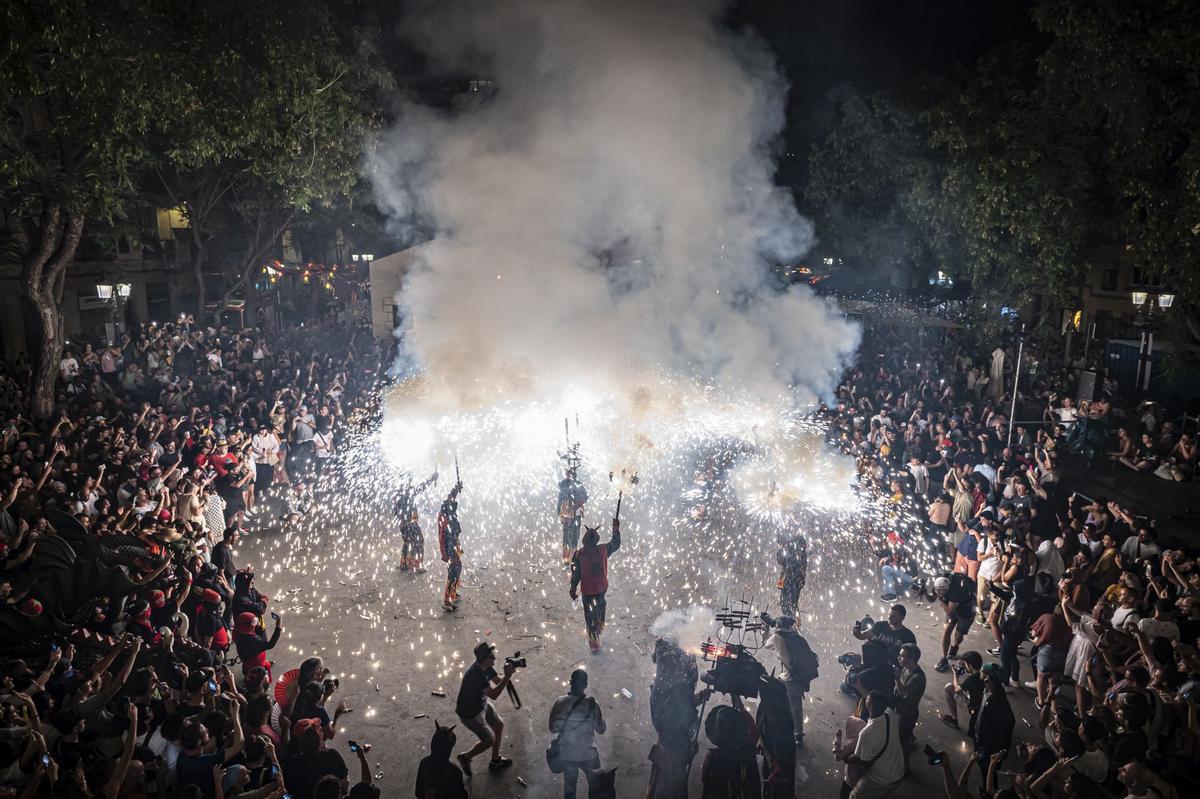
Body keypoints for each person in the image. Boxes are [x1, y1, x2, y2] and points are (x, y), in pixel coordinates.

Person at [453, 641, 515, 775]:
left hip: (480, 703)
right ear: (484, 660)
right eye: (491, 657)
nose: (494, 658)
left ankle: (495, 761)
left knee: (498, 725)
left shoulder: (486, 667)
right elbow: (494, 694)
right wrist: (507, 676)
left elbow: (498, 681)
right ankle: (466, 757)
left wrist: (508, 672)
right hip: (470, 713)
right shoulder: (476, 674)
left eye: (493, 655)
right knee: (489, 740)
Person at [548, 668, 606, 799]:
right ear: (586, 685)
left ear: (570, 683)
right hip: (588, 753)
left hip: (568, 754)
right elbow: (601, 730)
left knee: (570, 789)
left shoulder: (559, 703)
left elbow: (553, 728)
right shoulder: (592, 704)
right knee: (597, 786)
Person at [835, 691, 904, 799]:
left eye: (867, 699)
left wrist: (846, 758)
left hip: (883, 779)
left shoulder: (867, 733)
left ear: (870, 706)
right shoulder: (889, 713)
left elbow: (862, 760)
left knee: (855, 796)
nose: (865, 698)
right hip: (899, 770)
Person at [569, 516, 622, 653]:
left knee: (589, 614)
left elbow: (576, 575)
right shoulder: (603, 550)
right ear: (597, 540)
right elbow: (615, 543)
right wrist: (616, 528)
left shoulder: (579, 554)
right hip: (600, 589)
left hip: (587, 591)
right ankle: (597, 630)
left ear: (584, 541)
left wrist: (573, 588)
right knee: (599, 608)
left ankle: (594, 640)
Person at [765, 615, 818, 747]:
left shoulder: (777, 638)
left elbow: (767, 644)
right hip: (801, 677)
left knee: (777, 697)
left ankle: (785, 729)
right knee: (796, 707)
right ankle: (798, 734)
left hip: (789, 678)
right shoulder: (797, 637)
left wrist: (765, 629)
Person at [932, 574, 976, 673]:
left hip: (966, 609)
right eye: (937, 590)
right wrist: (925, 592)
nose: (938, 592)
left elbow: (949, 612)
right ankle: (944, 658)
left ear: (947, 589)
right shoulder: (940, 583)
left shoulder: (955, 592)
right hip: (952, 606)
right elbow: (932, 598)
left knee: (958, 635)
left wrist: (940, 600)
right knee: (947, 631)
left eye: (941, 591)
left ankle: (954, 646)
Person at [414, 720, 468, 799]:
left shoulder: (424, 763)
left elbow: (418, 793)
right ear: (449, 750)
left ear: (433, 744)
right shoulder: (454, 772)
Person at [894, 644, 925, 768]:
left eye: (902, 656)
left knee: (903, 742)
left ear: (912, 659)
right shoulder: (906, 668)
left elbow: (904, 693)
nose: (898, 658)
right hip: (900, 709)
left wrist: (896, 678)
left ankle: (906, 767)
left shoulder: (918, 677)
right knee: (901, 737)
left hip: (907, 713)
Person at [437, 481, 464, 612]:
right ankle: (447, 601)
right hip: (450, 550)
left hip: (453, 547)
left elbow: (450, 498)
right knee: (454, 571)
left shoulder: (449, 512)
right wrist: (448, 556)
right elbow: (444, 540)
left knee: (456, 570)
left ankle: (453, 592)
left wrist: (456, 489)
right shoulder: (446, 521)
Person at [557, 467, 589, 566]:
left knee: (574, 536)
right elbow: (561, 500)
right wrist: (560, 512)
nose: (569, 475)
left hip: (574, 515)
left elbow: (583, 498)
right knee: (567, 537)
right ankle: (567, 559)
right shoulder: (563, 485)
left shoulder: (577, 485)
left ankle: (573, 557)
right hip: (567, 515)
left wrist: (576, 505)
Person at [776, 535, 808, 619]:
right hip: (788, 580)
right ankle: (790, 621)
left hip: (794, 580)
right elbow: (781, 561)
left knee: (792, 603)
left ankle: (793, 622)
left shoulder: (796, 551)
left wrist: (785, 548)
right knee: (784, 602)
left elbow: (791, 562)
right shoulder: (789, 550)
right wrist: (782, 549)